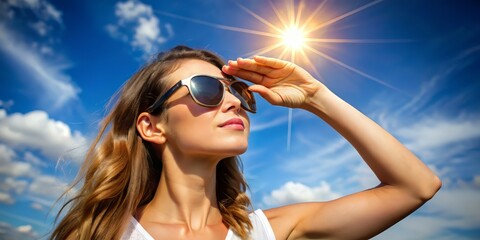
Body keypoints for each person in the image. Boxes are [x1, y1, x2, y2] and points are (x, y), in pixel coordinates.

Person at [50, 45, 441, 240]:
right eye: (207, 89)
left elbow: (415, 187)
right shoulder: (99, 232)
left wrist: (317, 97)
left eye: (235, 90)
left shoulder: (266, 231)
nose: (235, 100)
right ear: (152, 127)